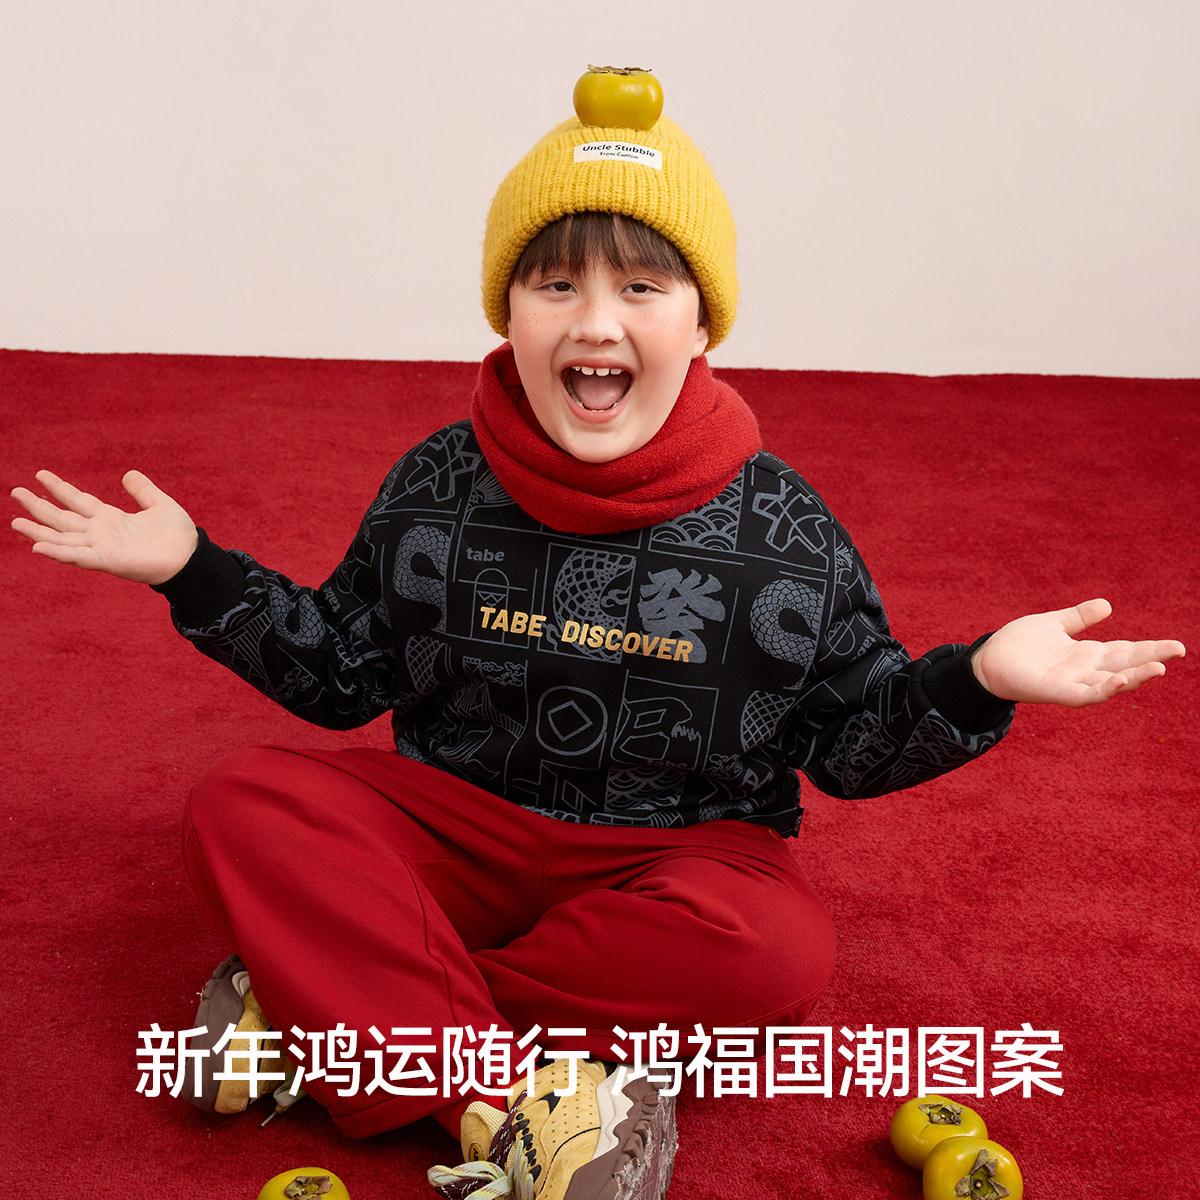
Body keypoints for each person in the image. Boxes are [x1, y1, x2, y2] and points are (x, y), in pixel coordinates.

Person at [10, 73, 1185, 1200]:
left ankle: (329, 1014)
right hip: (457, 829)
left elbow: (850, 743)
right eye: (557, 286)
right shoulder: (437, 483)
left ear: (701, 321)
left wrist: (979, 679)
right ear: (509, 313)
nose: (596, 321)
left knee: (777, 954)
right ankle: (500, 1096)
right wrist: (194, 570)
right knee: (247, 803)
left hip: (675, 859)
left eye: (642, 289)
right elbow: (342, 672)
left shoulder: (783, 528)